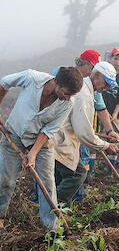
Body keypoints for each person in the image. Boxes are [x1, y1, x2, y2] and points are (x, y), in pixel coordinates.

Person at [0, 67, 83, 231]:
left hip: (41, 142)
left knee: (47, 182)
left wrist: (33, 153)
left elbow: (49, 130)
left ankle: (51, 227)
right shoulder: (32, 78)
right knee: (6, 180)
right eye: (66, 93)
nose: (68, 98)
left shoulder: (67, 103)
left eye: (71, 95)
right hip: (14, 132)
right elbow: (4, 83)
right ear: (56, 82)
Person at [53, 62, 119, 203]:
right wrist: (106, 146)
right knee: (78, 174)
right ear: (96, 76)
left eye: (109, 84)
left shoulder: (88, 90)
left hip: (62, 138)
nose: (106, 87)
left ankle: (52, 207)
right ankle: (54, 205)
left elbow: (97, 116)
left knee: (57, 177)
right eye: (106, 82)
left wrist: (109, 131)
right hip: (61, 140)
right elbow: (84, 133)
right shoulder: (84, 95)